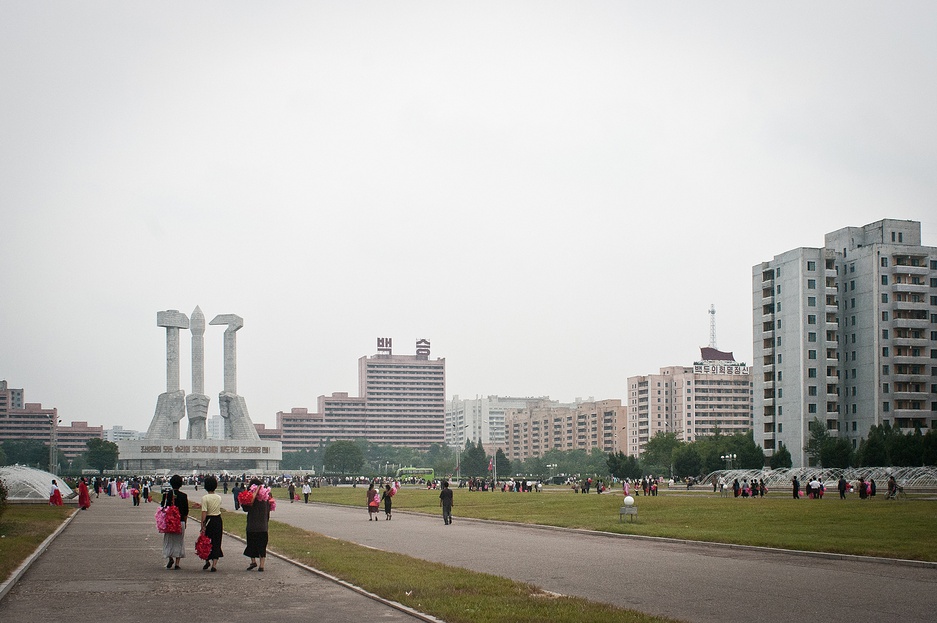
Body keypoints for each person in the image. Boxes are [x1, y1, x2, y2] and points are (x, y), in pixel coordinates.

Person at [242, 478, 270, 572]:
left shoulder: (249, 498)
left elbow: (246, 508)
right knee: (262, 546)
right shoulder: (266, 498)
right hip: (263, 526)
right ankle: (261, 565)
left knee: (251, 544)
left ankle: (253, 561)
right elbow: (268, 511)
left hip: (252, 525)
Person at [161, 475, 188, 570]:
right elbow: (186, 511)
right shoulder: (184, 496)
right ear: (181, 484)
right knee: (179, 541)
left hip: (170, 522)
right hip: (180, 521)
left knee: (169, 540)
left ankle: (170, 558)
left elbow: (163, 508)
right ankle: (177, 563)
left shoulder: (167, 494)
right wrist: (185, 522)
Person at [199, 475, 224, 571]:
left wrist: (203, 525)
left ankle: (207, 560)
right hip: (217, 520)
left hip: (209, 520)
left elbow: (204, 512)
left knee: (206, 541)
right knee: (216, 541)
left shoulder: (205, 498)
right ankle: (214, 564)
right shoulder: (218, 497)